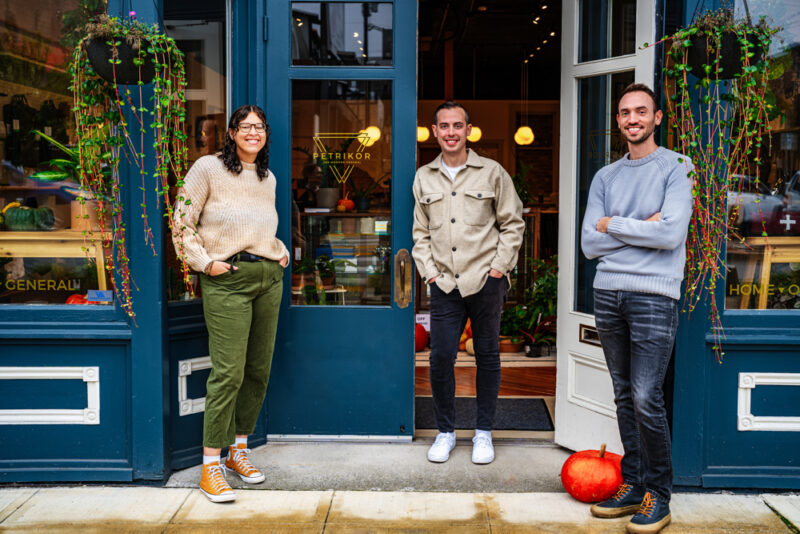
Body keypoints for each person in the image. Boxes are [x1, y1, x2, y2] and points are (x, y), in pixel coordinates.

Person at [581, 83, 693, 534]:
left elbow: (670, 235)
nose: (632, 119)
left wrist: (618, 226)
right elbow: (591, 243)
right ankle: (633, 483)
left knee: (648, 396)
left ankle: (659, 496)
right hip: (609, 292)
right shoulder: (606, 177)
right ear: (618, 121)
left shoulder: (676, 167)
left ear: (657, 118)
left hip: (654, 295)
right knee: (625, 394)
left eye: (641, 111)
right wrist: (643, 225)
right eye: (625, 112)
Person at [172, 105, 289, 503]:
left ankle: (239, 450)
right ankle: (210, 467)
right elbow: (181, 222)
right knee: (228, 373)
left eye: (260, 126)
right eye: (246, 126)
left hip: (268, 277)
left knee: (257, 369)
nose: (253, 132)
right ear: (232, 132)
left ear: (265, 134)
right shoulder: (207, 168)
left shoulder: (267, 177)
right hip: (228, 281)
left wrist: (279, 251)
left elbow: (259, 224)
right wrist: (206, 263)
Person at [411, 101, 524, 465]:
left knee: (488, 356)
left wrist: (498, 269)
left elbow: (513, 223)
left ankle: (483, 433)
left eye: (457, 126)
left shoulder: (492, 173)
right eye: (443, 126)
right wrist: (429, 272)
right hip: (444, 283)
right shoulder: (423, 177)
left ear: (468, 130)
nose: (451, 133)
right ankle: (445, 432)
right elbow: (420, 233)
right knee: (441, 357)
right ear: (434, 131)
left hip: (486, 280)